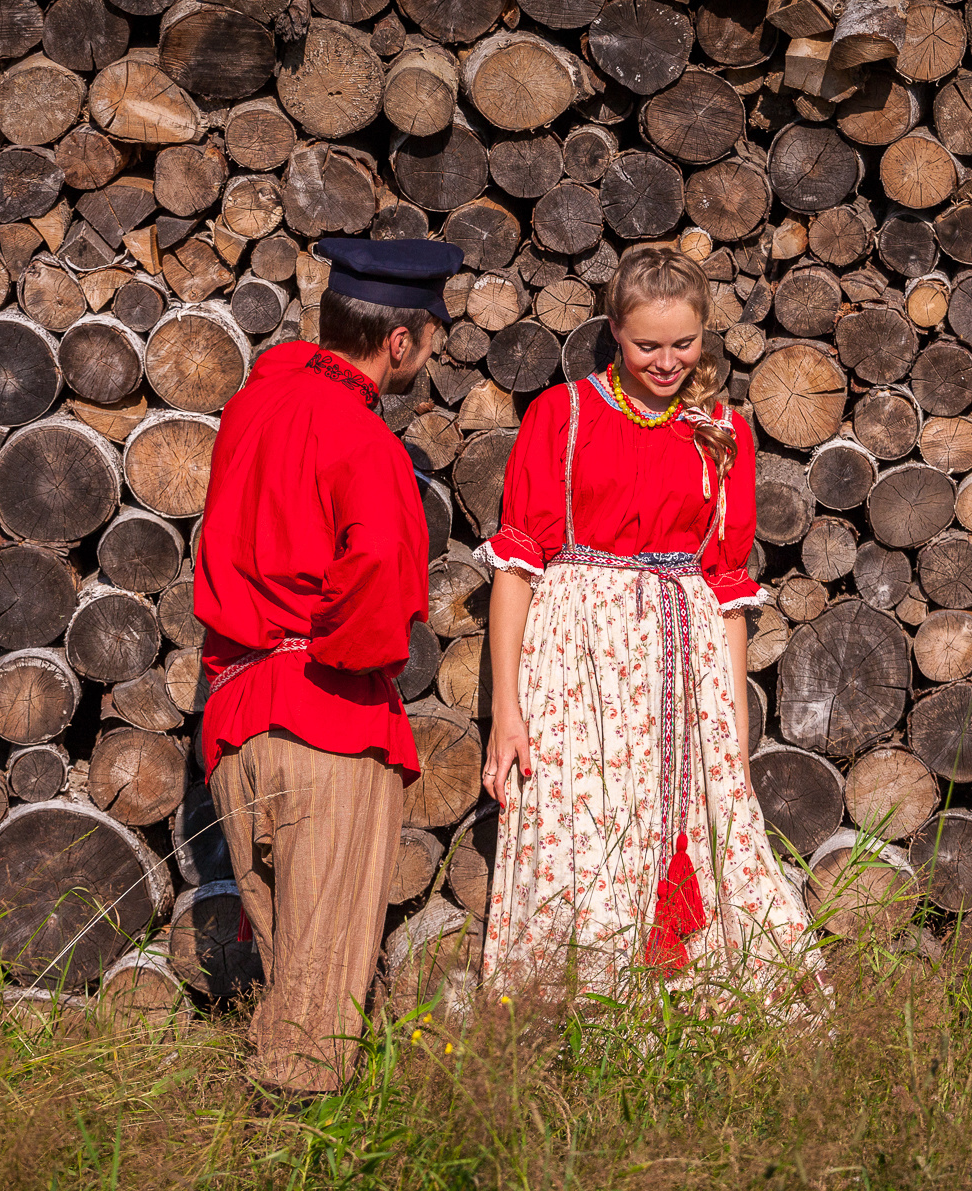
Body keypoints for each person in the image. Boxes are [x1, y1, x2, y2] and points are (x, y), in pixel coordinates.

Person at [475, 246, 816, 995]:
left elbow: (725, 587)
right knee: (578, 835)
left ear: (705, 334)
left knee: (691, 829)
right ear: (614, 332)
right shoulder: (562, 414)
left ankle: (689, 1021)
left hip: (684, 666)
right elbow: (517, 565)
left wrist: (731, 721)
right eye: (647, 345)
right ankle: (572, 1014)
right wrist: (507, 709)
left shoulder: (720, 430)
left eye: (684, 343)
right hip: (578, 662)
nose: (667, 362)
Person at [195, 237, 463, 1095]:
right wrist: (350, 654)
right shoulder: (363, 437)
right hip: (326, 724)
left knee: (292, 979)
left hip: (237, 723)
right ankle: (296, 1163)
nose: (430, 353)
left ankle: (277, 1158)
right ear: (400, 341)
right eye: (431, 337)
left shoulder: (252, 407)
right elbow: (378, 565)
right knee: (317, 1013)